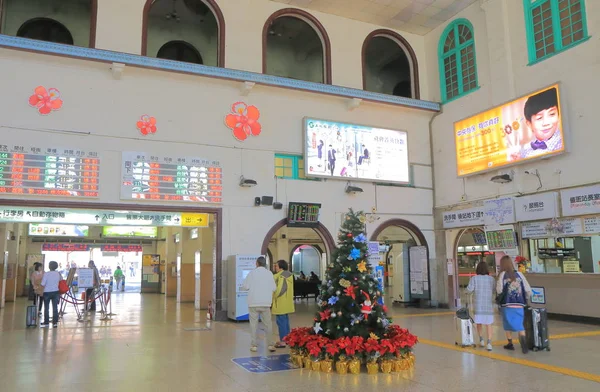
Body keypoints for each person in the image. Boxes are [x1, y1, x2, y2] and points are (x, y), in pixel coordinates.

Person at [497, 255, 532, 353]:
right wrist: (526, 298)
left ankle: (510, 343)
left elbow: (499, 290)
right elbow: (527, 289)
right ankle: (524, 345)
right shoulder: (519, 274)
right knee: (520, 324)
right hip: (519, 304)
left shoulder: (503, 275)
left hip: (507, 304)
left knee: (507, 323)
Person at [241, 256, 276, 353]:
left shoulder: (252, 273)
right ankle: (270, 345)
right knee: (268, 324)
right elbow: (274, 288)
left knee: (253, 324)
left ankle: (254, 345)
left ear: (257, 263)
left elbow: (245, 286)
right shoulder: (269, 274)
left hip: (253, 303)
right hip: (266, 303)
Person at [520, 87, 562, 159]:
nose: (546, 123)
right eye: (539, 118)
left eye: (552, 114)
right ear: (529, 124)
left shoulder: (562, 143)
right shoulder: (525, 150)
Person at [466, 261, 496, 351]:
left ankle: (481, 340)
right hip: (488, 305)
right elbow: (495, 290)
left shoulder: (474, 278)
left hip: (478, 305)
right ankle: (489, 342)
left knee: (479, 323)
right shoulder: (491, 279)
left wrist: (465, 292)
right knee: (488, 324)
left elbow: (469, 289)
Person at [272, 260, 295, 348]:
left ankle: (283, 341)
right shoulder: (288, 275)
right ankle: (287, 339)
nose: (275, 268)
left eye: (276, 266)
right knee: (285, 321)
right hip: (286, 302)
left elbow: (281, 289)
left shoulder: (282, 276)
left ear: (281, 267)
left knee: (281, 322)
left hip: (281, 302)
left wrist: (273, 296)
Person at [40, 261, 63, 328]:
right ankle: (55, 323)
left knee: (46, 308)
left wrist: (40, 290)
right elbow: (61, 280)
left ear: (49, 266)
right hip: (56, 292)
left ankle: (46, 322)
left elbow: (42, 284)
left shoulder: (46, 274)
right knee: (55, 308)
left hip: (47, 292)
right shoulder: (58, 274)